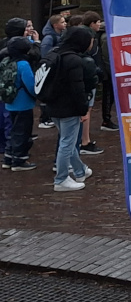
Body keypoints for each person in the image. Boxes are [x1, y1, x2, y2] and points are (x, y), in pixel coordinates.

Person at [44, 26, 94, 192]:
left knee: (68, 141)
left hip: (53, 105)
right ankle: (61, 179)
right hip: (69, 108)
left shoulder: (55, 54)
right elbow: (77, 88)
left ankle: (80, 171)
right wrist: (83, 109)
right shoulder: (74, 60)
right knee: (67, 143)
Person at [2, 36, 37, 170]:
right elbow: (30, 84)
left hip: (9, 101)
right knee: (23, 131)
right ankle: (19, 160)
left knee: (13, 130)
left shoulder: (5, 61)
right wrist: (37, 95)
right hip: (23, 102)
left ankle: (8, 157)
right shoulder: (23, 64)